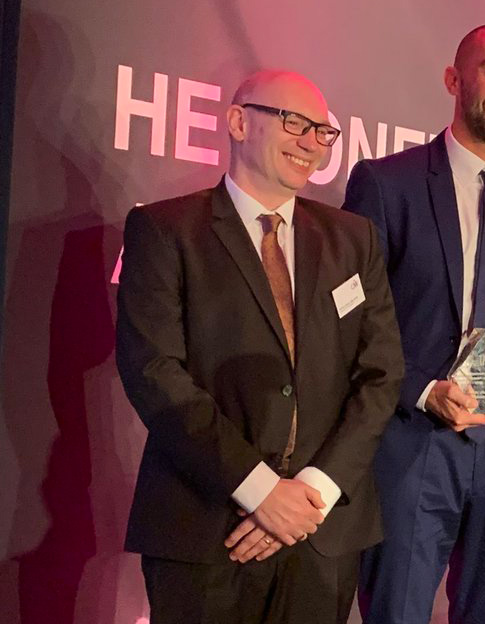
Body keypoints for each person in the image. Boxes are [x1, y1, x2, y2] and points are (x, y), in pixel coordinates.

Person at [116, 70, 405, 624]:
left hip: (322, 533)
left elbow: (383, 373)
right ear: (237, 121)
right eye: (293, 121)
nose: (310, 141)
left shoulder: (354, 239)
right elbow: (154, 372)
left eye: (323, 131)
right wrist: (261, 491)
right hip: (207, 530)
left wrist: (310, 495)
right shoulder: (165, 230)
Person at [343, 23, 485, 624]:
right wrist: (422, 389)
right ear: (454, 78)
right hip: (414, 438)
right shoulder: (386, 184)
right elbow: (354, 320)